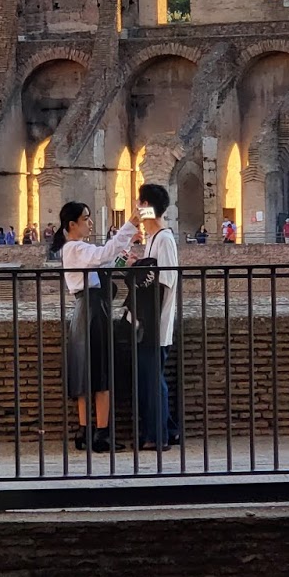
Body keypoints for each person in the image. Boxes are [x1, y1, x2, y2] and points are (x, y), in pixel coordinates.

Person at [55, 201, 139, 452]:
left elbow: (104, 264)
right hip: (93, 311)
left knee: (85, 371)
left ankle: (85, 431)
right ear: (72, 224)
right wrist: (130, 225)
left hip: (85, 311)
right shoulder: (75, 248)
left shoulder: (77, 250)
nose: (90, 223)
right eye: (86, 218)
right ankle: (102, 434)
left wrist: (125, 259)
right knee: (101, 372)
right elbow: (103, 255)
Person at [134, 182, 180, 450]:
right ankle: (169, 430)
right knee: (151, 377)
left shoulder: (164, 239)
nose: (137, 208)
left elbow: (165, 281)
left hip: (156, 323)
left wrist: (150, 321)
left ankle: (158, 436)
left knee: (154, 380)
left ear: (147, 207)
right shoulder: (151, 239)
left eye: (140, 203)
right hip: (148, 322)